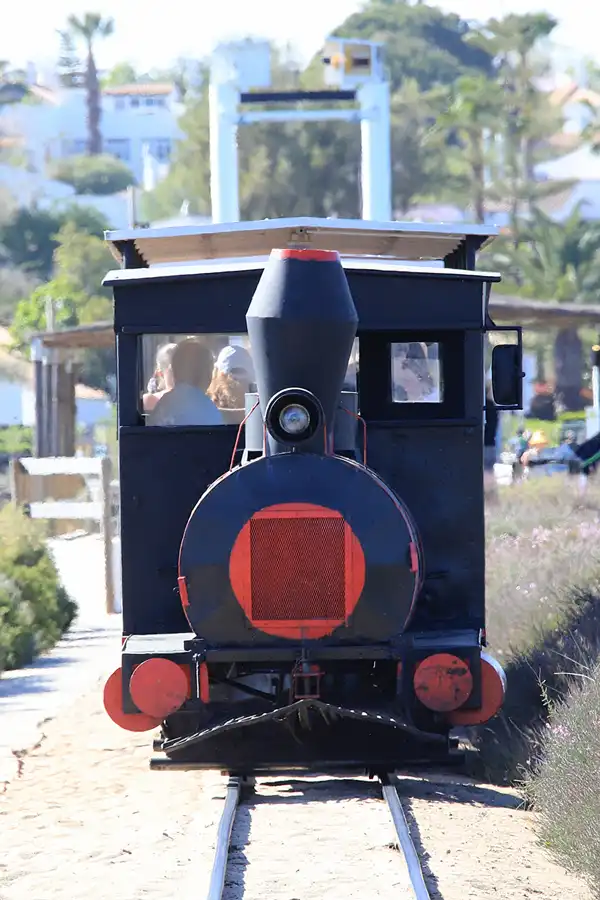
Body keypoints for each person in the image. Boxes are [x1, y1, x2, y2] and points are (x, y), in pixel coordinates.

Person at [147, 337, 223, 426]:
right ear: (206, 374)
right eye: (210, 370)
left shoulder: (165, 402)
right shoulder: (207, 408)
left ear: (175, 372)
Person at [143, 342, 177, 412]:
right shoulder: (151, 400)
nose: (181, 373)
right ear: (161, 373)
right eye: (174, 369)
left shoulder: (196, 398)